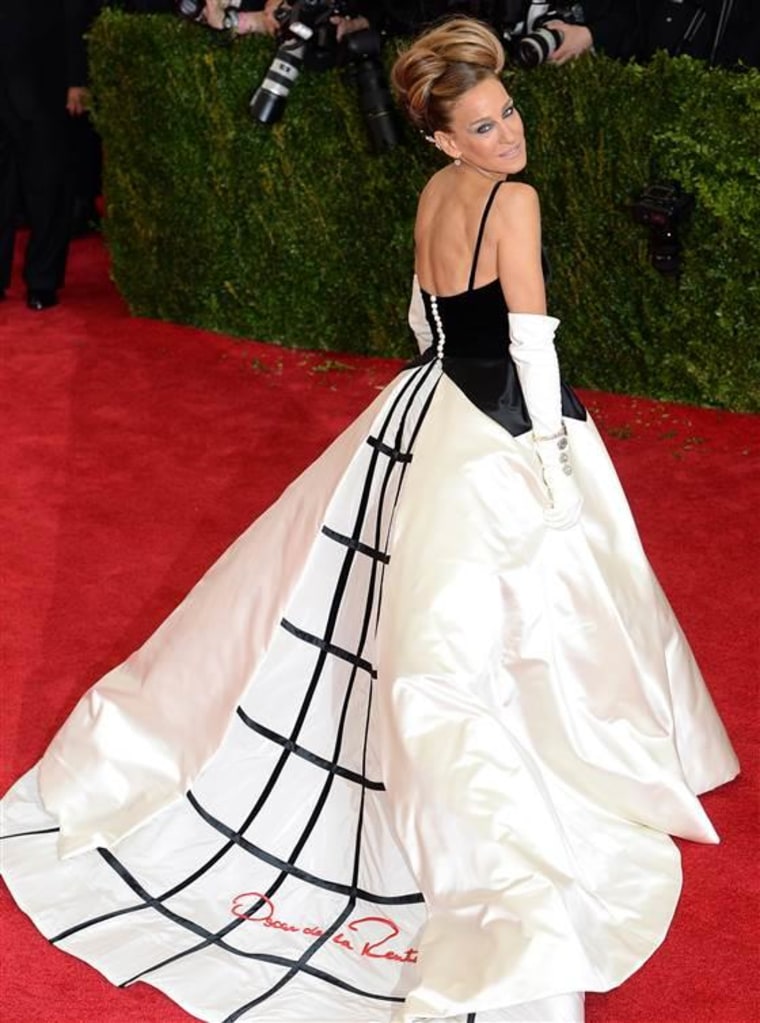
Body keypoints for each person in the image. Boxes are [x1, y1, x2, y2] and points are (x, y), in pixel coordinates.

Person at [0, 15, 739, 1023]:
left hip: (424, 405)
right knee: (530, 601)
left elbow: (418, 320)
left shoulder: (435, 193)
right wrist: (553, 454)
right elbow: (528, 337)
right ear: (443, 138)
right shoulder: (510, 204)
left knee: (388, 600)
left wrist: (446, 392)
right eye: (481, 127)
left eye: (508, 114)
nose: (507, 136)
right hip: (499, 423)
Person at [0, 0, 89, 310]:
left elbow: (76, 10)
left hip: (44, 80)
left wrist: (77, 78)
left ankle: (43, 281)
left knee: (48, 186)